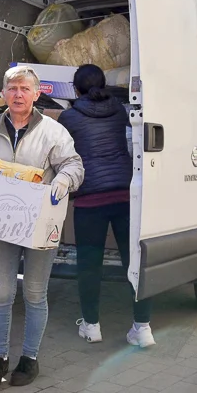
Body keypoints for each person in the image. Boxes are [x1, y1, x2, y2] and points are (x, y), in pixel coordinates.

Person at [0, 65, 84, 388]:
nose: (18, 94)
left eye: (25, 89)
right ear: (4, 94)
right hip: (2, 223)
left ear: (37, 94)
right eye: (12, 88)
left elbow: (73, 164)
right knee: (2, 293)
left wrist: (63, 181)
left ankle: (30, 357)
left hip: (40, 222)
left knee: (35, 294)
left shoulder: (53, 131)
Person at [57, 64, 155, 348]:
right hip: (125, 195)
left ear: (75, 89)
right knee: (133, 261)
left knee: (90, 265)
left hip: (90, 199)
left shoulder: (69, 117)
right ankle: (143, 327)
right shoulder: (120, 111)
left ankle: (92, 325)